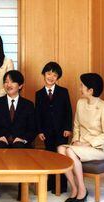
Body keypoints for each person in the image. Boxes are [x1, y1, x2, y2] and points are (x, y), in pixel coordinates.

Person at [57, 73, 104, 202]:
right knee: (61, 149)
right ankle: (75, 188)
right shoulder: (80, 103)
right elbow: (76, 125)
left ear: (91, 90)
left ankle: (82, 190)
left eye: (82, 86)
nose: (79, 88)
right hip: (81, 144)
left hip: (100, 148)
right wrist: (75, 141)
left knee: (70, 151)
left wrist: (86, 144)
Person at [0, 70, 36, 200]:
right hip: (1, 140)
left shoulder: (28, 105)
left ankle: (21, 189)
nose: (8, 84)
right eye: (6, 81)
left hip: (20, 141)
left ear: (20, 85)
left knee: (20, 148)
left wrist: (23, 139)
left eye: (12, 81)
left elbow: (32, 129)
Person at [35, 62, 72, 193]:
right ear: (44, 74)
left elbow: (68, 111)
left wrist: (68, 128)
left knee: (62, 158)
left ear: (58, 78)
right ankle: (50, 184)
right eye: (49, 73)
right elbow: (38, 114)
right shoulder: (39, 94)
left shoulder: (63, 92)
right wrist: (39, 130)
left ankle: (62, 185)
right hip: (47, 132)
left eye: (55, 75)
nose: (51, 77)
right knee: (49, 157)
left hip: (62, 131)